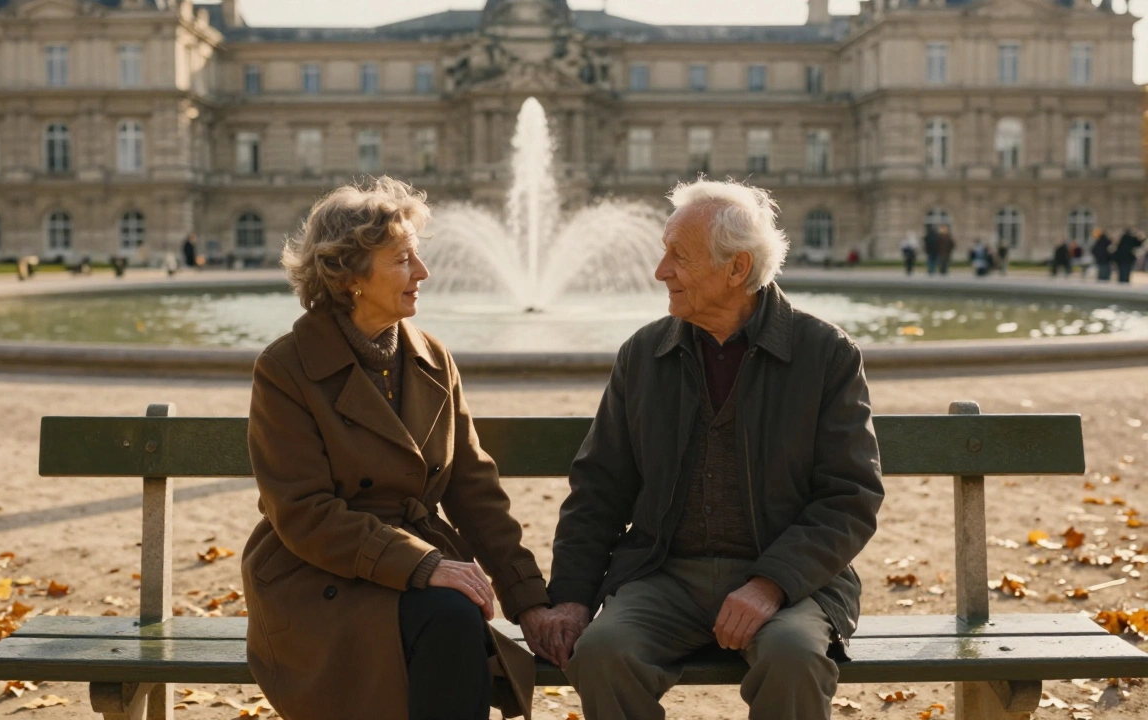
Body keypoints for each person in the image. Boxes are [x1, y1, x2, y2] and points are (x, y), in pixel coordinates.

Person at [522, 179, 884, 720]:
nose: (660, 271)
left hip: (789, 581)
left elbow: (850, 497)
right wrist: (573, 597)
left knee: (793, 656)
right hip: (664, 574)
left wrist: (769, 585)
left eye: (678, 257)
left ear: (737, 268)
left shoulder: (825, 353)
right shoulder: (644, 354)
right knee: (601, 654)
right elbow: (599, 488)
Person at [240, 177, 550, 720]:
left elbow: (473, 491)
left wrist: (530, 600)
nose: (423, 274)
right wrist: (423, 562)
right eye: (403, 260)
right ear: (350, 274)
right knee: (451, 616)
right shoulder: (286, 367)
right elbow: (303, 514)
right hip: (316, 578)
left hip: (414, 571)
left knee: (454, 615)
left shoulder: (433, 356)